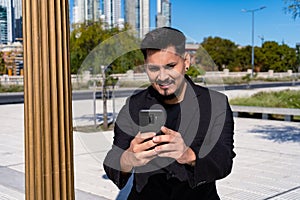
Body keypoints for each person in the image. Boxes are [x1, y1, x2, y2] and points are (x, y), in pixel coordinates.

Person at [103, 27, 235, 200]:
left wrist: (189, 155)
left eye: (170, 66)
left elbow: (224, 160)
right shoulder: (134, 105)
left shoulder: (216, 104)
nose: (162, 77)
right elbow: (113, 161)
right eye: (153, 68)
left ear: (186, 61)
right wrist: (128, 158)